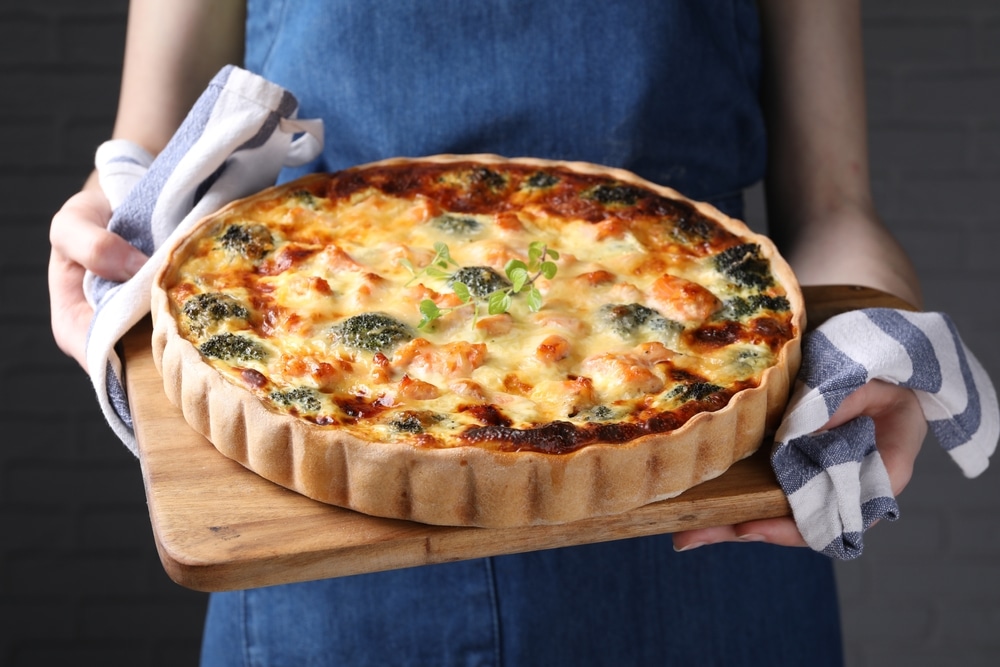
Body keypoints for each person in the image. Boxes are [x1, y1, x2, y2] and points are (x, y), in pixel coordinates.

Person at [49, 1, 927, 664]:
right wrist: (113, 216)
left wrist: (882, 343)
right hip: (316, 527)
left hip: (700, 531)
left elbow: (838, 212)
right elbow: (156, 162)